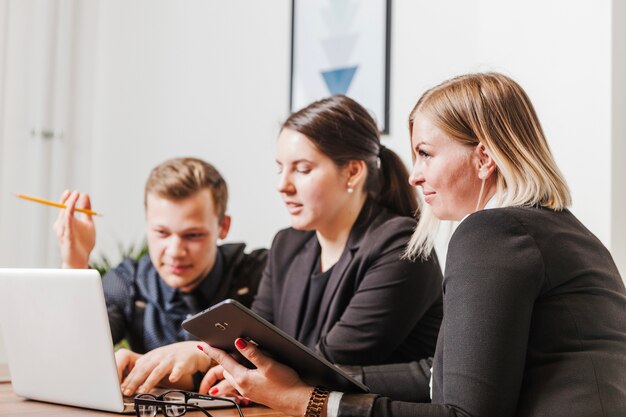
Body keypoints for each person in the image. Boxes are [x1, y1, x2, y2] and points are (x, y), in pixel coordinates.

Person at [197, 73, 626, 417]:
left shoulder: (491, 234)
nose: (413, 175)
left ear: (483, 158)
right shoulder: (559, 229)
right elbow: (440, 375)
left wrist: (305, 401)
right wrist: (309, 380)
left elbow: (463, 411)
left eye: (425, 153)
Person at [201, 95, 443, 397]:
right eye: (281, 169)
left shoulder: (401, 247)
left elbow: (328, 364)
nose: (283, 185)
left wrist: (228, 364)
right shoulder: (286, 244)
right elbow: (255, 342)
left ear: (353, 172)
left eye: (302, 170)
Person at [54, 157, 268, 396]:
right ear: (147, 225)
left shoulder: (260, 275)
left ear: (223, 227)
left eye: (193, 235)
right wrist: (75, 262)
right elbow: (74, 350)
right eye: (161, 233)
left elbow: (290, 355)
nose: (175, 251)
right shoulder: (128, 281)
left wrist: (204, 357)